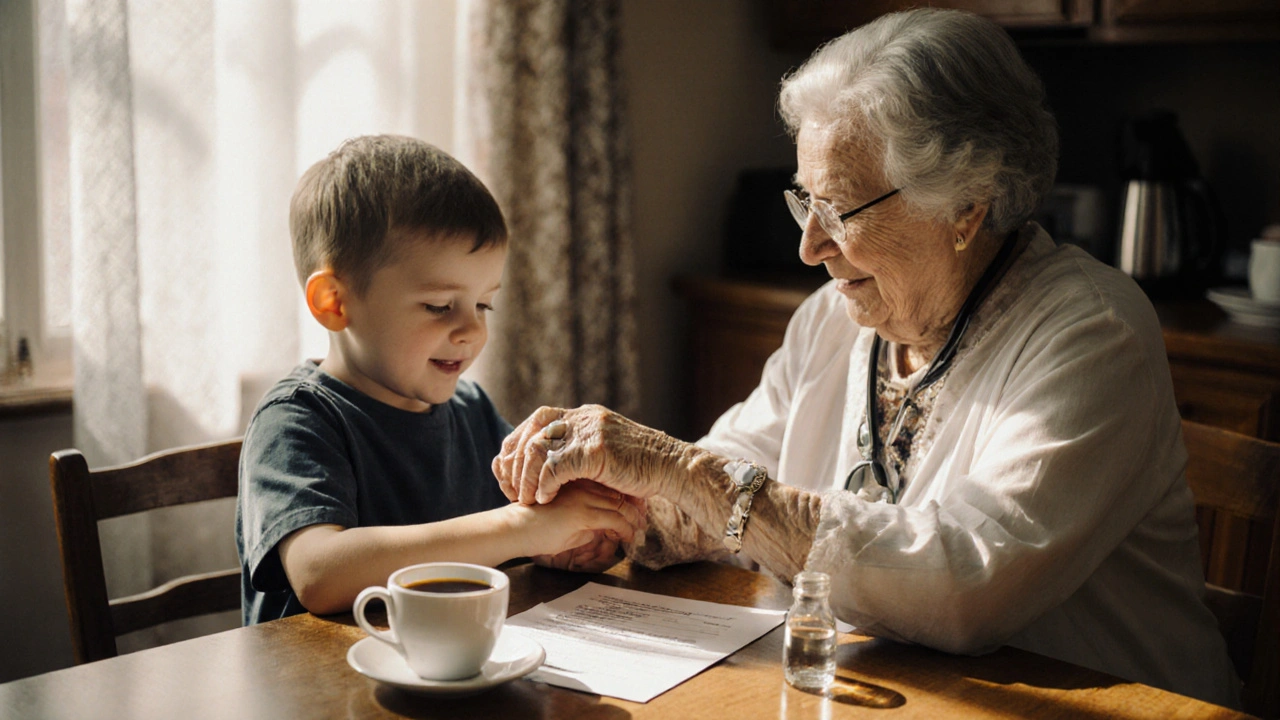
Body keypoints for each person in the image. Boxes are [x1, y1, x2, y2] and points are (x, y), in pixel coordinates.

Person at [493, 9, 1239, 708]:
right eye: (802, 200)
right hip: (903, 697)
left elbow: (965, 584)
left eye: (839, 210)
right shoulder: (834, 318)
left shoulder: (1091, 334)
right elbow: (739, 459)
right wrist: (620, 513)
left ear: (965, 207)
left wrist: (682, 472)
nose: (807, 247)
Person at [236, 135, 642, 624]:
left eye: (483, 304)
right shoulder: (297, 421)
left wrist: (562, 545)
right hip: (322, 690)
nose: (472, 330)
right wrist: (519, 528)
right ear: (334, 302)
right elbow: (318, 573)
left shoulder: (472, 413)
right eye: (438, 306)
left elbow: (503, 541)